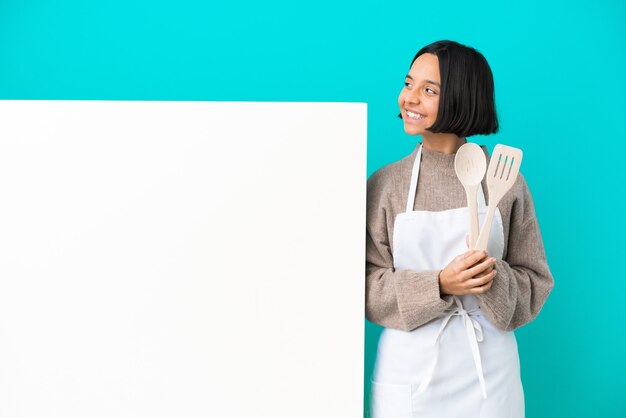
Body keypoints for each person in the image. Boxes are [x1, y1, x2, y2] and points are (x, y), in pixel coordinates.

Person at [365, 40, 555, 418]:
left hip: (488, 375)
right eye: (408, 84)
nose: (410, 98)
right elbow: (364, 285)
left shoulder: (507, 181)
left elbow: (536, 283)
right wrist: (440, 284)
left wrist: (491, 277)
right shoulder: (387, 185)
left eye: (429, 90)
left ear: (462, 98)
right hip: (410, 371)